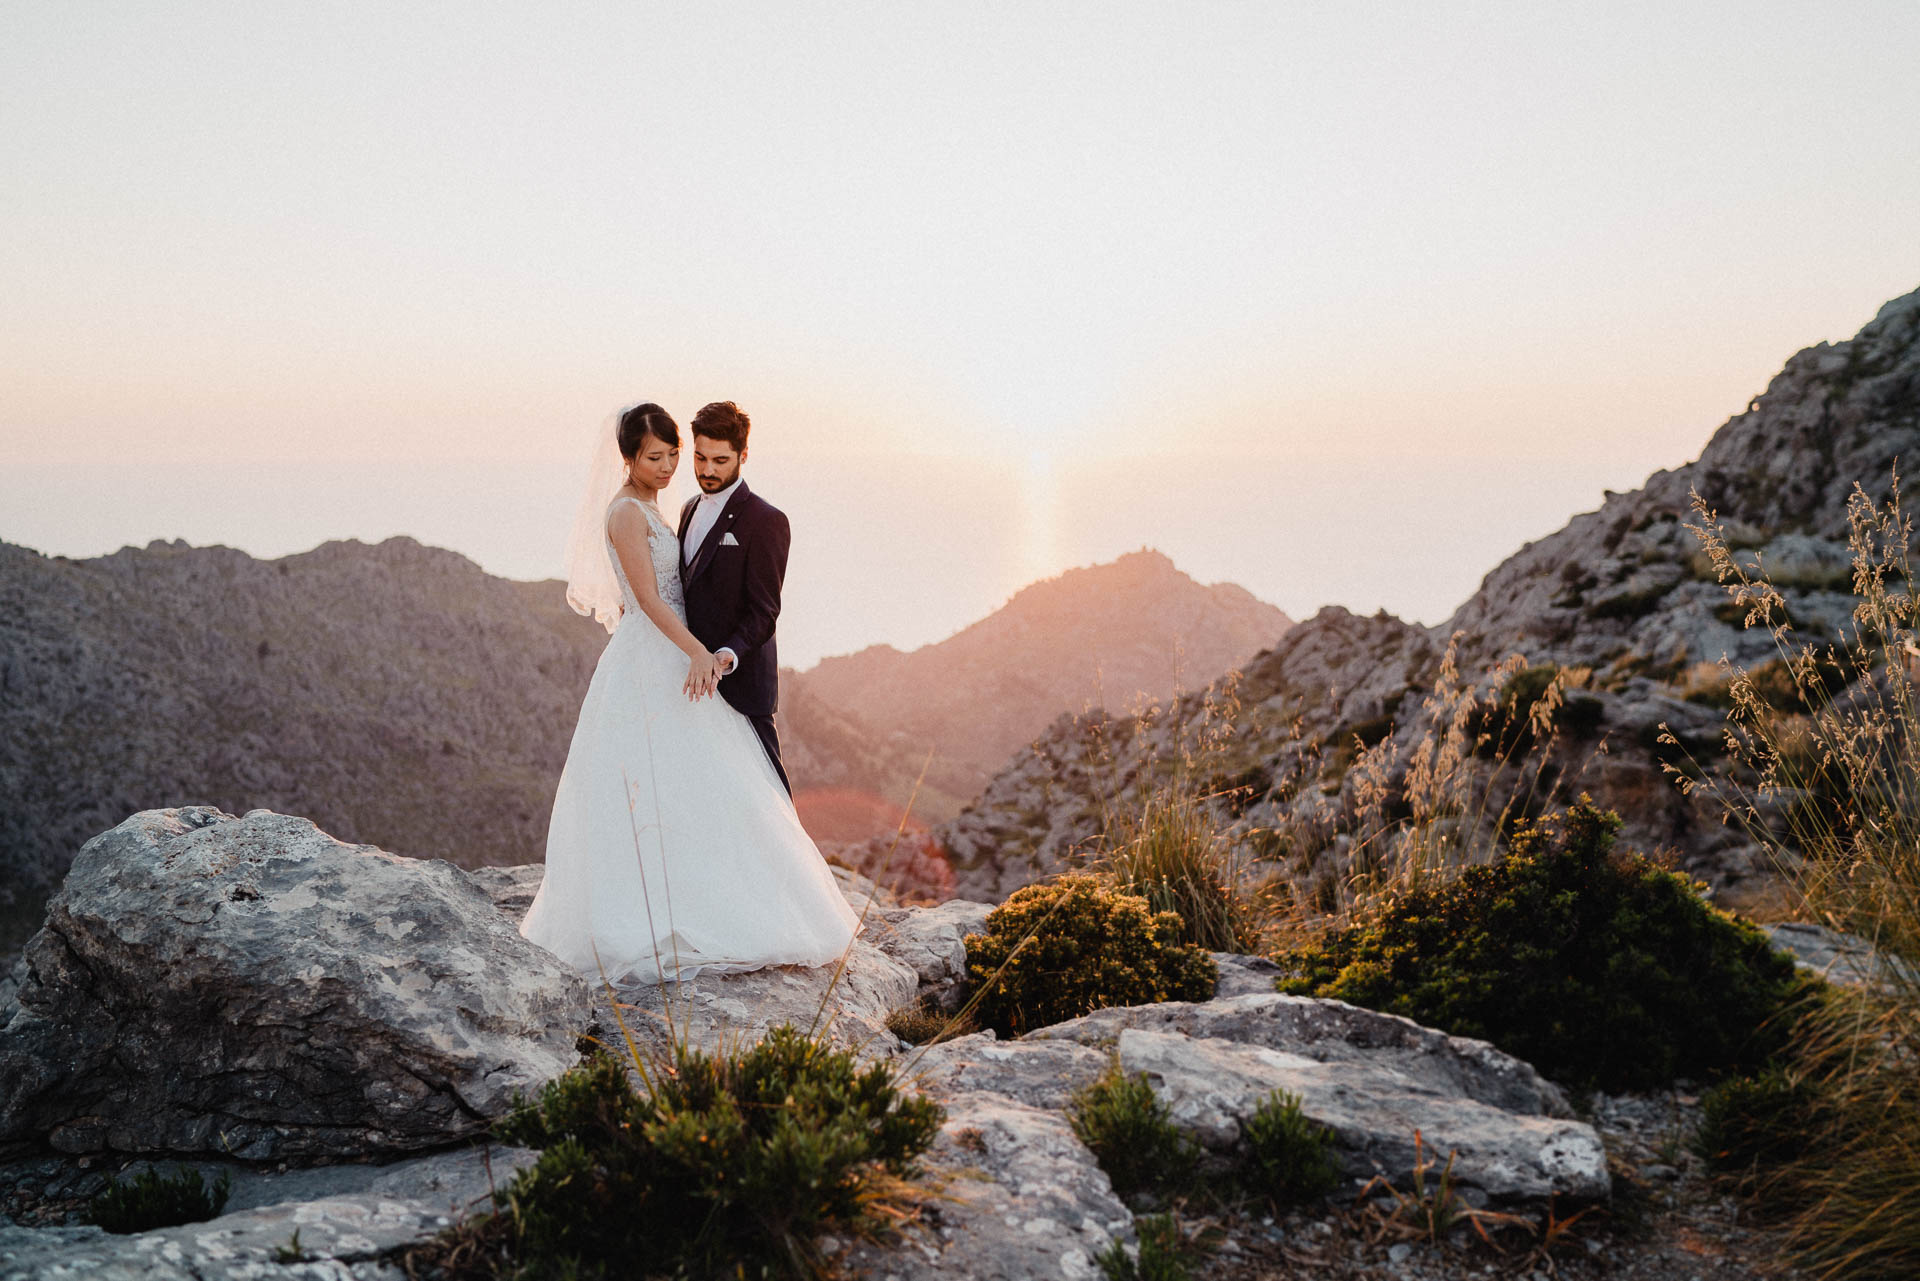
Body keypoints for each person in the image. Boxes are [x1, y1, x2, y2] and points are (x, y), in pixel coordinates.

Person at [518, 402, 858, 985]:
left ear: (741, 456)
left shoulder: (749, 517)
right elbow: (649, 599)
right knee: (658, 785)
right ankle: (658, 911)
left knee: (726, 788)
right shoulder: (639, 511)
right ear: (628, 457)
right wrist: (696, 652)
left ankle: (752, 898)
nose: (685, 466)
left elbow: (763, 610)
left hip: (716, 672)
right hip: (660, 662)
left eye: (691, 456)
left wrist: (716, 654)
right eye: (675, 455)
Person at [676, 400, 793, 793]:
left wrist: (729, 653)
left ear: (743, 455)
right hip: (691, 682)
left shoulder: (767, 520)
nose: (707, 470)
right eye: (700, 457)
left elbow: (765, 611)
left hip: (742, 686)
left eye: (721, 460)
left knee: (768, 794)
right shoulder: (689, 508)